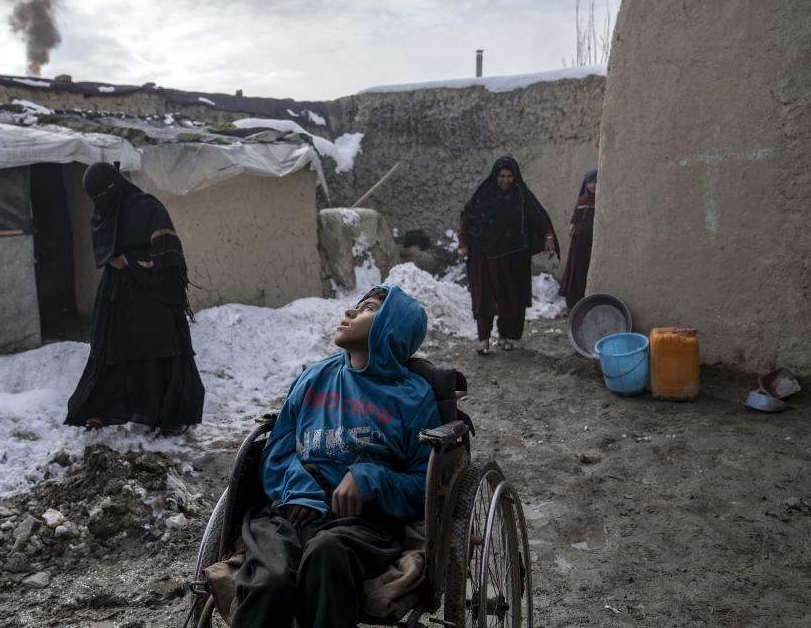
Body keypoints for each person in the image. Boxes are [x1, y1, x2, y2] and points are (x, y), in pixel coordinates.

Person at [231, 285, 441, 628]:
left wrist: (370, 478)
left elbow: (424, 486)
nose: (351, 312)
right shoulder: (315, 377)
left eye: (368, 308)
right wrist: (299, 488)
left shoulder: (414, 397)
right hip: (293, 509)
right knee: (272, 581)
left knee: (327, 553)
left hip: (363, 522)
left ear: (392, 326)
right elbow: (278, 449)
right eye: (356, 306)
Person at [65, 162, 204, 435]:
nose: (98, 203)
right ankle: (101, 409)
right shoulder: (106, 211)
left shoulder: (148, 209)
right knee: (111, 350)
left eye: (101, 195)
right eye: (93, 198)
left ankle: (164, 415)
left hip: (152, 295)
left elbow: (169, 258)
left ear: (113, 188)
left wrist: (129, 261)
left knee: (157, 352)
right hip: (117, 296)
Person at [458, 156, 559, 353]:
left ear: (516, 177)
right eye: (502, 176)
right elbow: (467, 217)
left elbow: (539, 216)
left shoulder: (522, 195)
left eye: (510, 176)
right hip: (484, 254)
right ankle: (484, 338)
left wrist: (548, 236)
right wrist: (463, 244)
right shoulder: (484, 194)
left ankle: (504, 336)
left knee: (509, 296)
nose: (505, 180)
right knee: (485, 296)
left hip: (512, 256)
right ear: (495, 176)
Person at [558, 169, 597, 311]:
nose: (593, 185)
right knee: (576, 271)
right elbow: (576, 216)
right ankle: (573, 303)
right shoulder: (582, 199)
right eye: (590, 182)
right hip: (579, 243)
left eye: (596, 182)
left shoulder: (602, 200)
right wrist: (572, 225)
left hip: (592, 244)